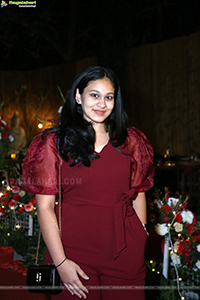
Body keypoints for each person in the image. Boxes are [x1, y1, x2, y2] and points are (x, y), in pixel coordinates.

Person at [22, 66, 154, 300]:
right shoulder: (53, 144)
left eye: (109, 97)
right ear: (78, 96)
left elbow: (139, 193)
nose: (102, 103)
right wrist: (61, 262)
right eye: (94, 95)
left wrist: (141, 234)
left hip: (125, 253)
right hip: (72, 253)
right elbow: (44, 208)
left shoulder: (131, 141)